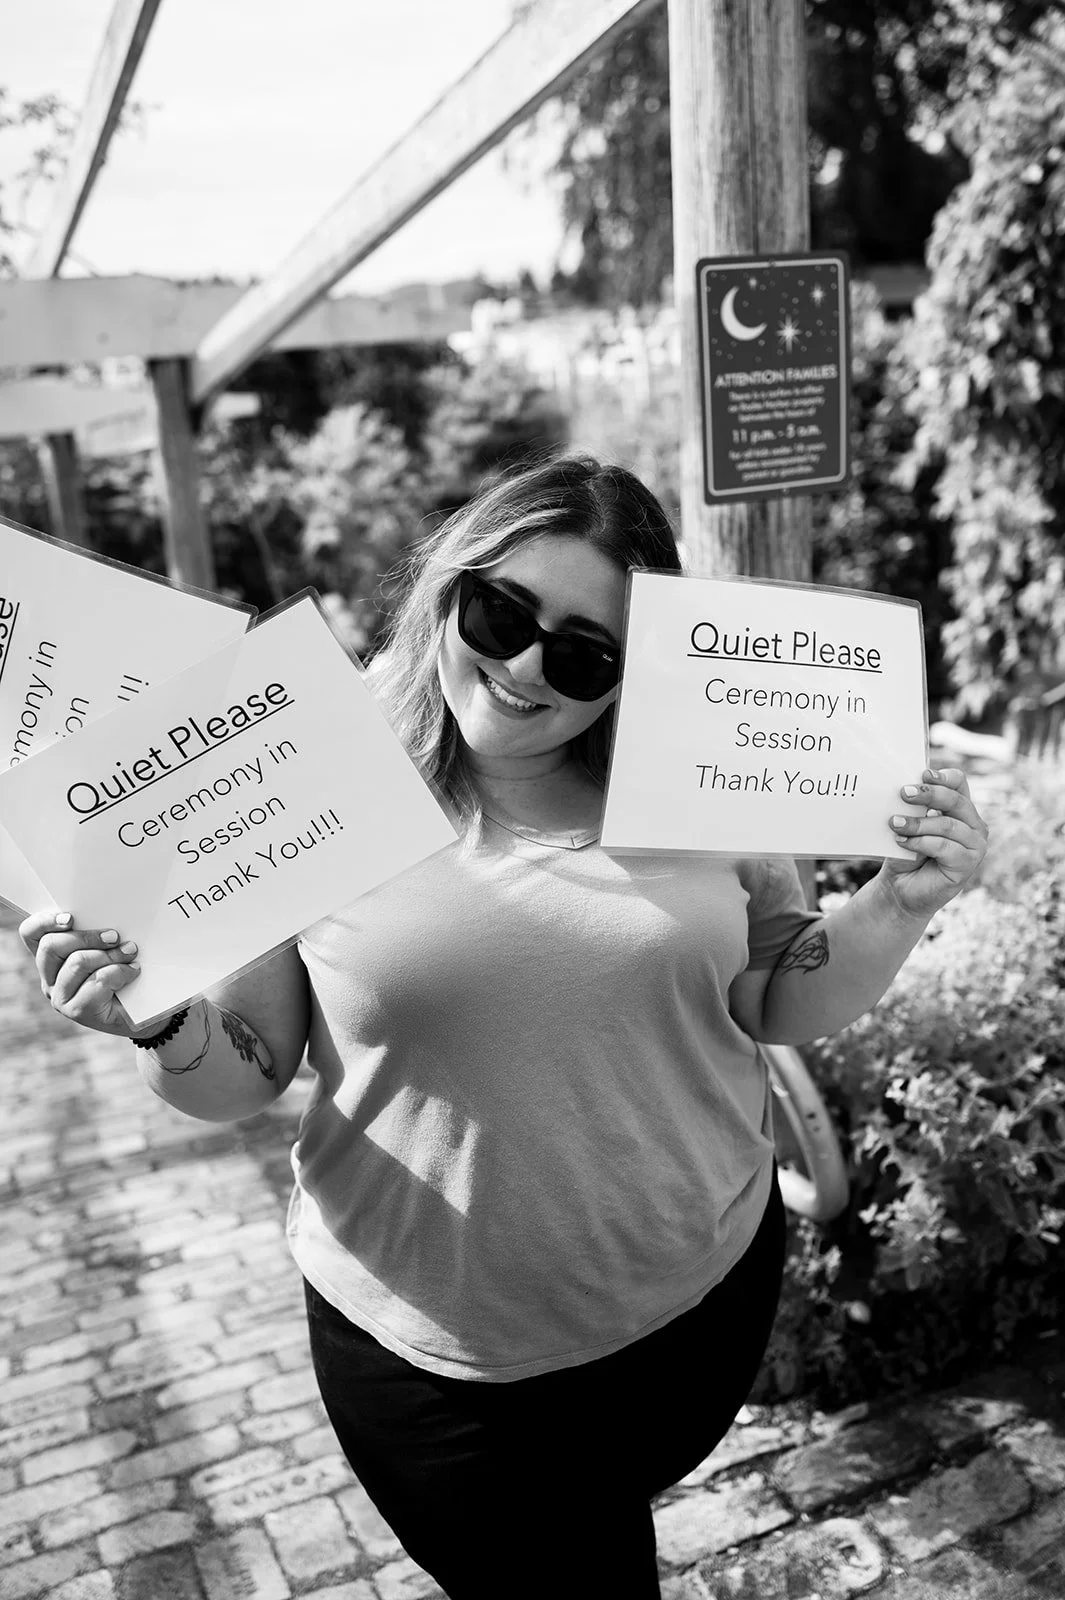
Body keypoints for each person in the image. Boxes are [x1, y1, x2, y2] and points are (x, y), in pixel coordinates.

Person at [19, 454, 989, 1599]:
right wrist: (162, 1019)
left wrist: (899, 901)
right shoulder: (304, 776)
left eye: (584, 655)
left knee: (598, 1525)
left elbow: (776, 991)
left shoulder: (695, 778)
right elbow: (246, 1073)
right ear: (449, 585)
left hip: (697, 1301)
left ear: (632, 680)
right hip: (435, 1364)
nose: (526, 667)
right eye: (501, 612)